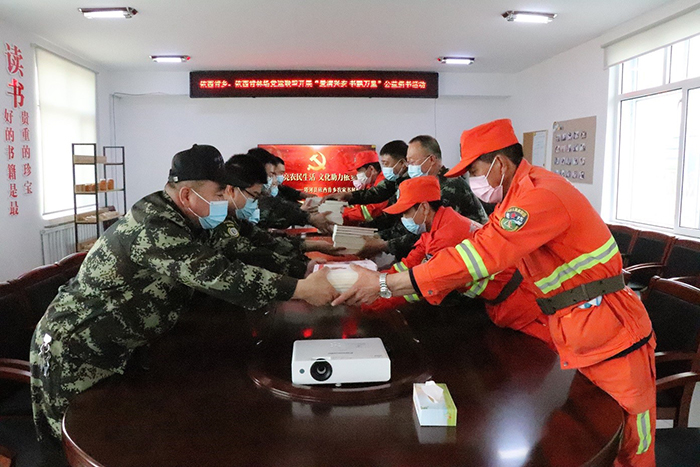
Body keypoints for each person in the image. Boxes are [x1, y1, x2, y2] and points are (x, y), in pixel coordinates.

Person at [333, 119, 656, 467]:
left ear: (499, 163)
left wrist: (383, 284)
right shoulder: (513, 200)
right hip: (576, 327)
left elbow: (477, 257)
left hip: (611, 331)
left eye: (474, 170)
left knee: (631, 443)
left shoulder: (539, 196)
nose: (471, 181)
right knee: (583, 431)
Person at [29, 144, 338, 441]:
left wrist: (301, 268)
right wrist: (299, 289)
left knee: (122, 434)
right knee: (79, 440)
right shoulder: (154, 225)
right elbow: (215, 273)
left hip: (123, 344)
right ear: (188, 194)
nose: (225, 200)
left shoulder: (191, 219)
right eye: (219, 193)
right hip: (77, 348)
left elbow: (238, 252)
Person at [363, 176, 553, 347]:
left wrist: (370, 302)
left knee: (544, 352)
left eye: (405, 213)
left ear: (423, 208)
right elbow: (409, 265)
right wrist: (371, 281)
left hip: (522, 302)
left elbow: (423, 287)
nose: (403, 219)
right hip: (502, 302)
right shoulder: (437, 226)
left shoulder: (447, 235)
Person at [208, 153, 344, 278]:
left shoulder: (236, 219)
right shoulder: (216, 219)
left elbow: (267, 242)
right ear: (231, 190)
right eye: (254, 197)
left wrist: (312, 252)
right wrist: (302, 269)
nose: (256, 203)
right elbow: (250, 254)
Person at [357, 135, 488, 259]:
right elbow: (408, 226)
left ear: (431, 160)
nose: (408, 167)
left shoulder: (450, 187)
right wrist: (377, 236)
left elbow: (424, 234)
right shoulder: (421, 184)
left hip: (473, 252)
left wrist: (383, 245)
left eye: (412, 162)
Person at [248, 148, 334, 233]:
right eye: (271, 175)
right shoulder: (251, 200)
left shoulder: (266, 194)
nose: (274, 180)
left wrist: (301, 197)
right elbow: (276, 208)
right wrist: (308, 217)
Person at [339, 150, 388, 225]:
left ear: (371, 169)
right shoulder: (370, 184)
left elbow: (370, 212)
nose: (357, 176)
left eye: (359, 172)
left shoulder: (384, 184)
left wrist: (345, 211)